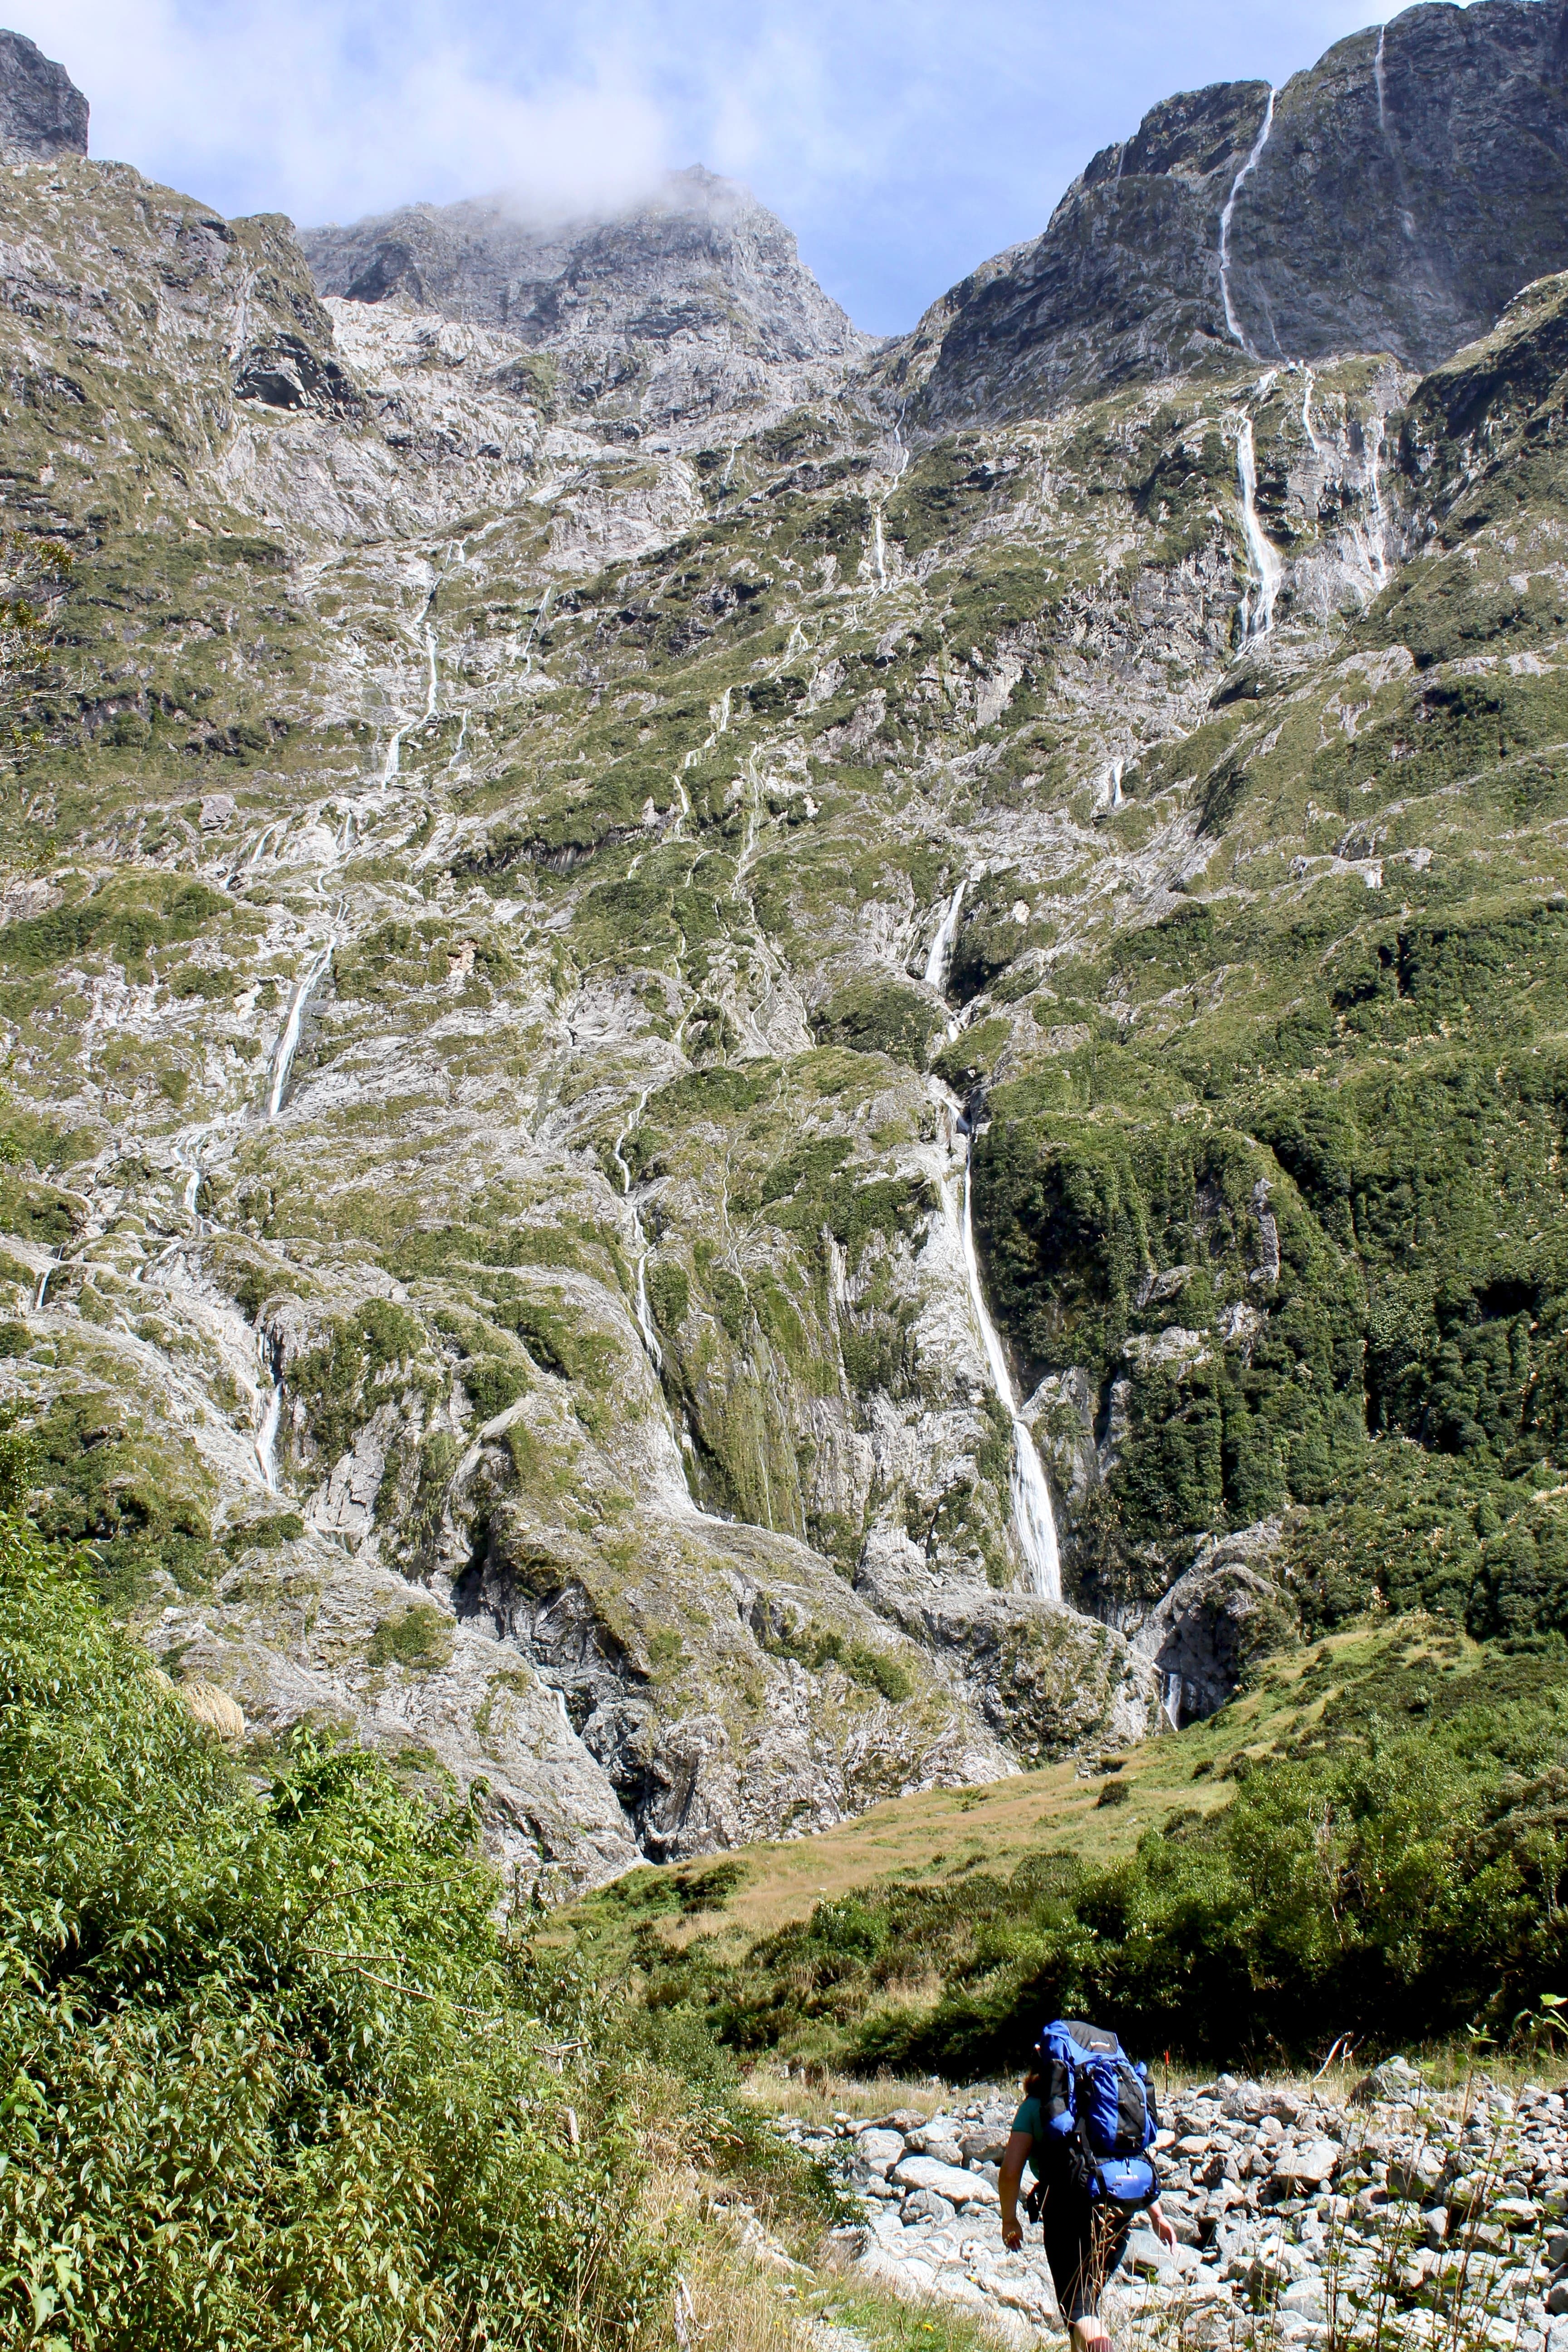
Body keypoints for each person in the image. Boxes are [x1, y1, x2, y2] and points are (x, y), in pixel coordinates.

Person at [998, 2048, 1176, 2352]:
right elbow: (1128, 2159)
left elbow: (1010, 2172)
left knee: (1078, 2311)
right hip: (1118, 2212)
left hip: (1067, 2212)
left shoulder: (1035, 2106)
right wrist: (1157, 2216)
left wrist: (1009, 2219)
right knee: (1085, 2305)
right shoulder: (1102, 2102)